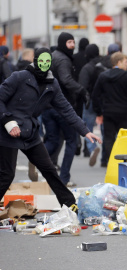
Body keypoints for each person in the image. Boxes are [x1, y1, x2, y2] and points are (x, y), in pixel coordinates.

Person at [0, 47, 102, 212]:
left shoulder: (52, 84)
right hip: (8, 132)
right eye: (41, 61)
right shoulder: (19, 77)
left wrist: (85, 131)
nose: (44, 64)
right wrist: (8, 121)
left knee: (49, 169)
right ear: (36, 61)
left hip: (30, 134)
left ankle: (69, 204)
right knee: (6, 175)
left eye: (48, 62)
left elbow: (67, 110)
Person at [43, 32, 87, 187]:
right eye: (69, 42)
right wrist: (81, 90)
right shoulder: (63, 59)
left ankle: (37, 160)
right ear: (62, 43)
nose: (73, 45)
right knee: (71, 141)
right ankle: (64, 178)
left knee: (53, 140)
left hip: (47, 106)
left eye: (73, 42)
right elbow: (66, 80)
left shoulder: (53, 56)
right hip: (61, 106)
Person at [92, 52, 127, 164]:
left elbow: (95, 95)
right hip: (124, 112)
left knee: (109, 137)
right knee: (125, 138)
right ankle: (124, 161)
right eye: (126, 62)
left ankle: (112, 161)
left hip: (108, 111)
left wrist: (99, 112)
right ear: (118, 62)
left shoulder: (103, 76)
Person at [79, 44, 103, 164]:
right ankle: (106, 154)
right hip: (104, 101)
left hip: (90, 101)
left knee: (87, 127)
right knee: (105, 128)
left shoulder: (87, 68)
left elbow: (82, 86)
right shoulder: (104, 65)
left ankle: (92, 148)